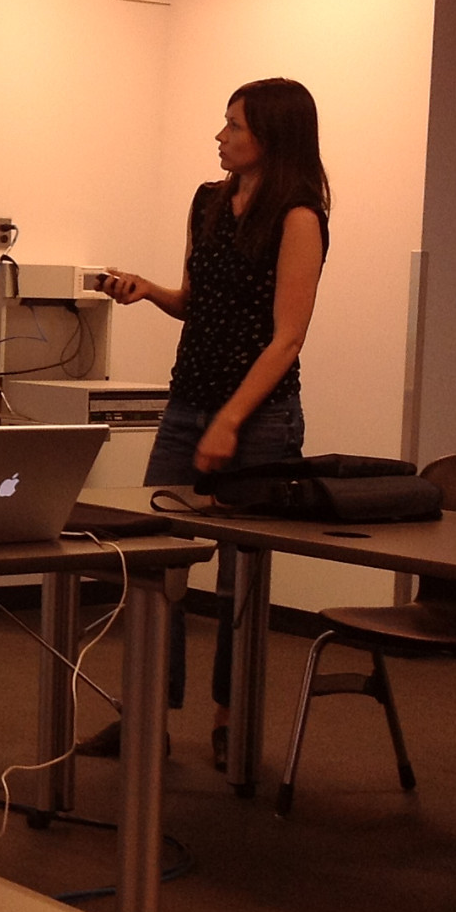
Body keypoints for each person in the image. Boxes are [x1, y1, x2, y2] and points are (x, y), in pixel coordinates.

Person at [92, 78, 331, 766]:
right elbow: (197, 303)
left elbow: (287, 338)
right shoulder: (208, 202)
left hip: (258, 417)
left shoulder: (298, 217)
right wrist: (149, 292)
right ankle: (147, 716)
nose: (221, 137)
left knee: (238, 579)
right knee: (150, 555)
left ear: (271, 138)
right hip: (188, 401)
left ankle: (232, 719)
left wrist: (229, 419)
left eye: (234, 126)